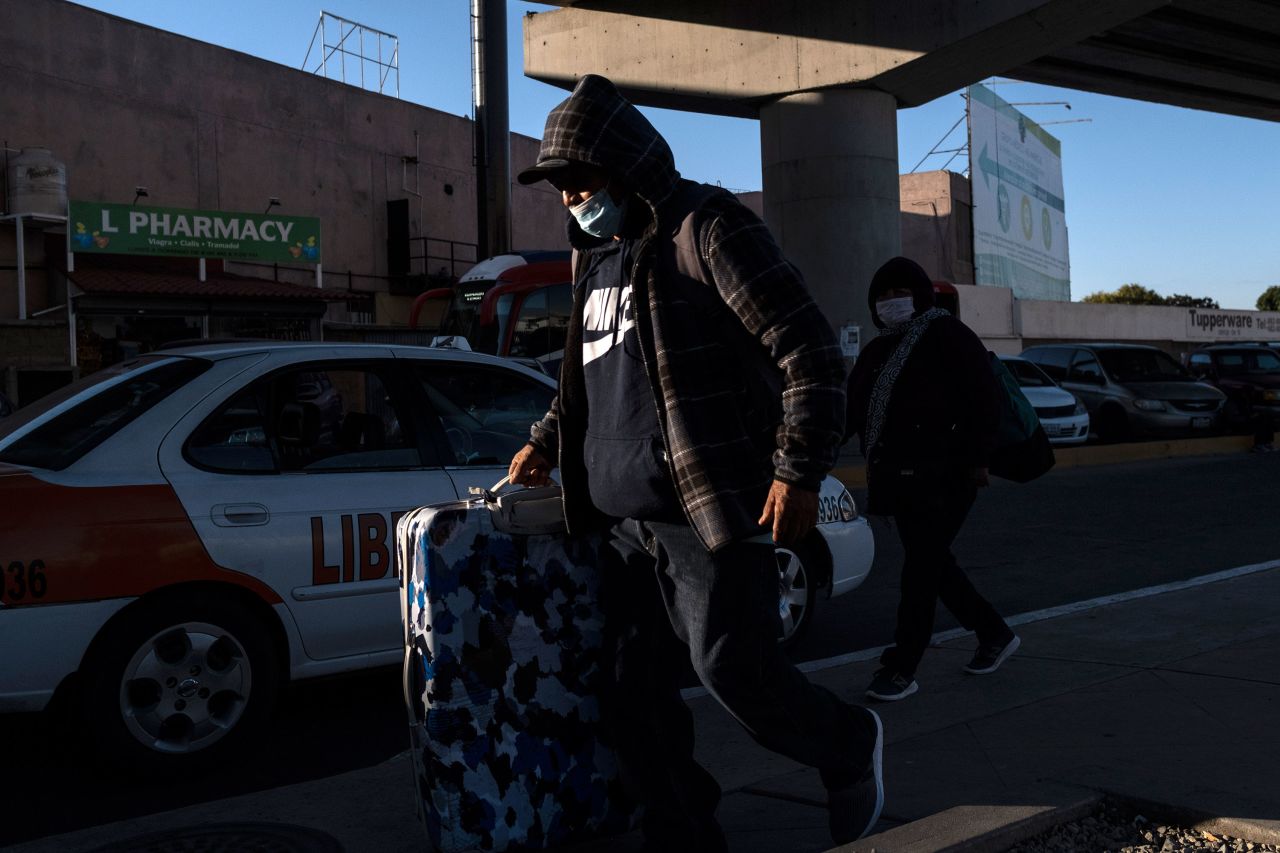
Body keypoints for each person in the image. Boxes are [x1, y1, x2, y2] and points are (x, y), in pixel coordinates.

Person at [507, 74, 884, 849]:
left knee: (735, 673)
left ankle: (847, 744)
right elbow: (586, 375)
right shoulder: (597, 259)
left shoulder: (706, 228)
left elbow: (807, 348)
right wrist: (546, 437)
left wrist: (799, 466)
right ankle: (683, 831)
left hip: (702, 512)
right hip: (616, 524)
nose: (569, 197)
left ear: (623, 162)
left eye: (578, 178)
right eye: (558, 186)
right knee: (628, 696)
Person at [846, 257, 1020, 702]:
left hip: (950, 474)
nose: (891, 303)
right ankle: (994, 633)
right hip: (899, 479)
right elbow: (851, 411)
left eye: (898, 293)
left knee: (920, 569)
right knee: (934, 565)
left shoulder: (947, 334)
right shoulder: (877, 351)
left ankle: (902, 667)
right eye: (882, 297)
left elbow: (984, 398)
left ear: (920, 294)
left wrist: (979, 458)